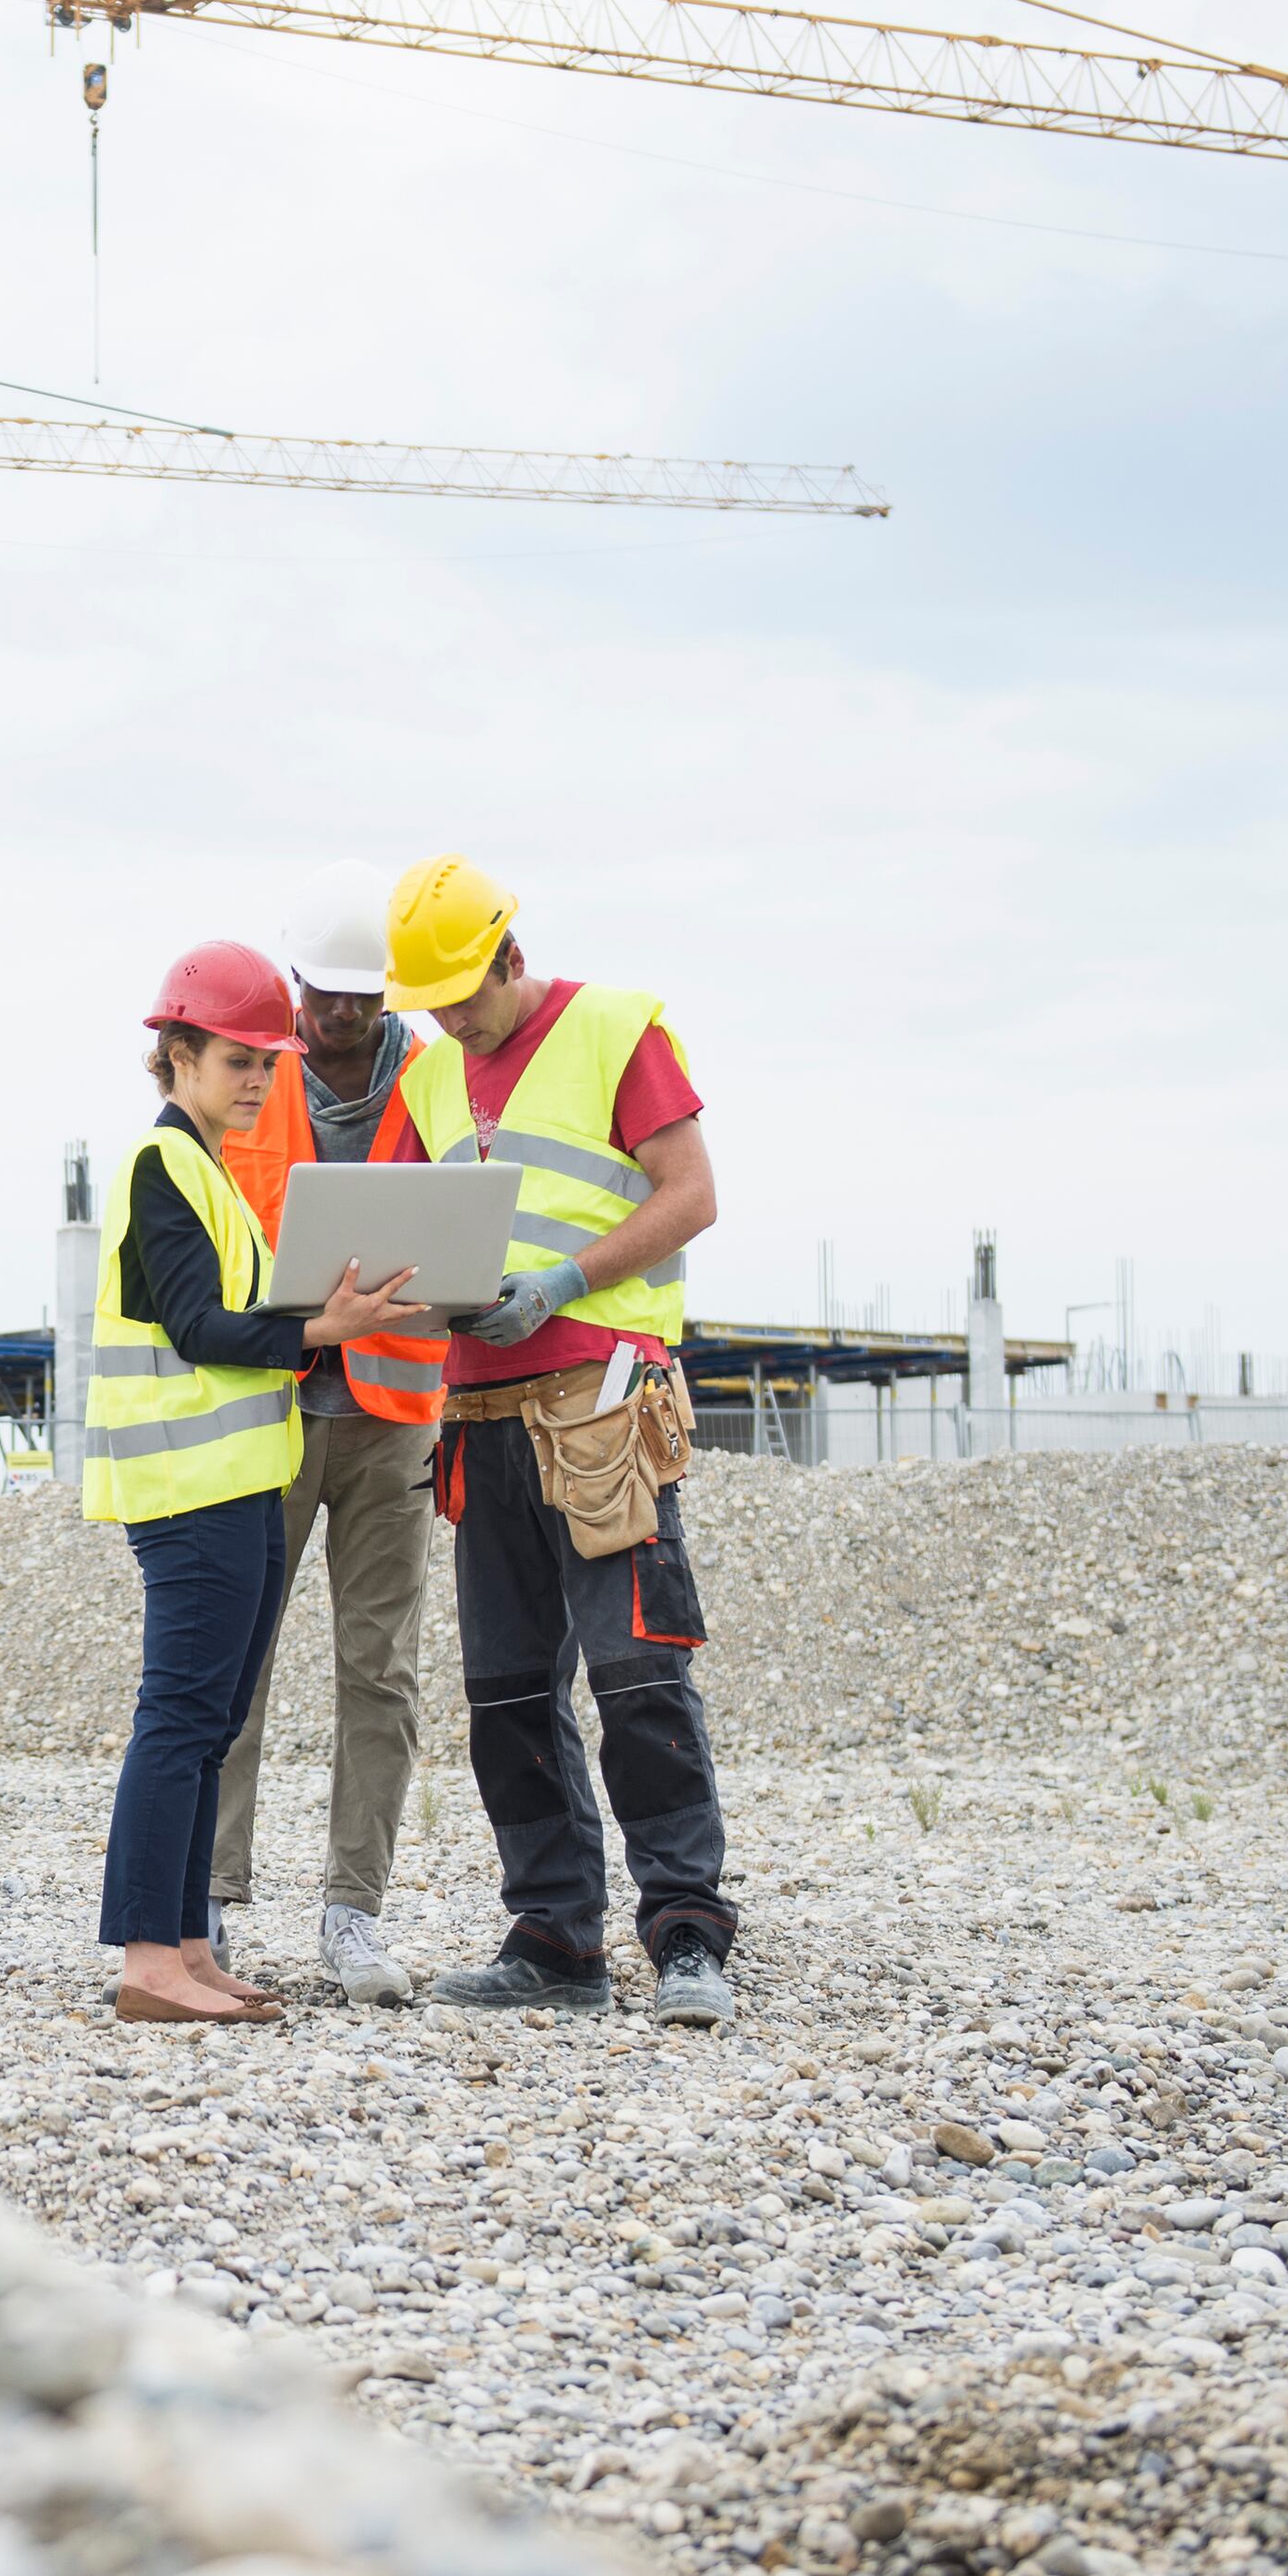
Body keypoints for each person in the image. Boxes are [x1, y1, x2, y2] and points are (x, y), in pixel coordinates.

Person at [383, 856, 743, 2028]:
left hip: (599, 1400)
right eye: (428, 1001)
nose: (447, 1018)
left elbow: (688, 1193)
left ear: (508, 954)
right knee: (504, 1694)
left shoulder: (612, 1030)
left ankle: (685, 1929)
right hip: (478, 1414)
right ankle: (553, 1936)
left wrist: (559, 1283)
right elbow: (389, 1226)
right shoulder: (430, 1079)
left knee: (637, 1671)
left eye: (460, 994)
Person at [85, 939, 421, 2026]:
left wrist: (324, 1323)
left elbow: (232, 1319)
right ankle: (148, 1960)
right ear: (175, 1053)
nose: (256, 1080)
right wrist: (324, 1327)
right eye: (237, 1058)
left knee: (212, 1709)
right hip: (189, 1491)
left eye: (264, 1064)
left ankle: (189, 1941)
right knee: (180, 1718)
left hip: (236, 1482)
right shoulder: (163, 1167)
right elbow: (198, 1327)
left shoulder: (210, 1172)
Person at [196, 871, 466, 2008]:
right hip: (277, 1405)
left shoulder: (434, 1073)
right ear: (297, 981)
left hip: (395, 1413)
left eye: (358, 1000)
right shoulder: (261, 1075)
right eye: (323, 996)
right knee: (234, 1661)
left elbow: (470, 1197)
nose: (337, 1017)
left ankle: (351, 1912)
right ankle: (203, 1896)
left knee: (380, 1672)